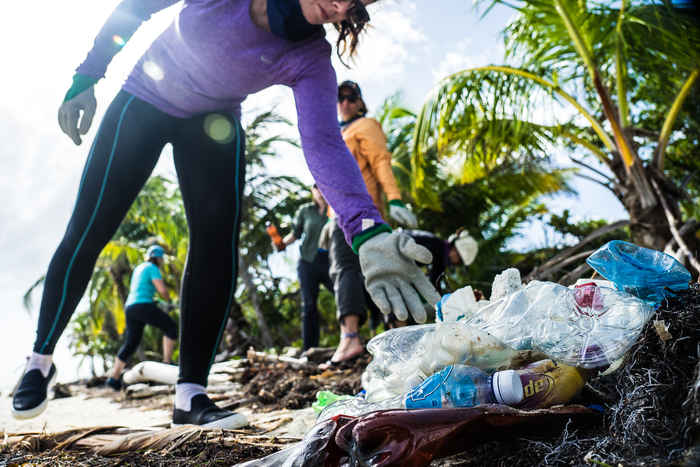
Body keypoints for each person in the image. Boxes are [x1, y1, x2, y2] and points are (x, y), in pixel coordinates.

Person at [12, 0, 440, 428]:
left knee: (216, 246)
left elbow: (324, 143)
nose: (341, 4)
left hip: (212, 121)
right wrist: (87, 75)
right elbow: (138, 7)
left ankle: (190, 393)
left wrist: (368, 230)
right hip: (145, 97)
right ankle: (40, 359)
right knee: (90, 227)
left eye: (356, 2)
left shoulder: (310, 57)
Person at [322, 81, 419, 368]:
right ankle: (390, 335)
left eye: (352, 98)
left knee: (351, 269)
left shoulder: (365, 126)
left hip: (361, 213)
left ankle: (353, 337)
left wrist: (396, 199)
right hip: (339, 214)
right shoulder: (338, 132)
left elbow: (380, 162)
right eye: (340, 98)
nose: (346, 102)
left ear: (361, 103)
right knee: (359, 274)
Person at [105, 245, 178, 391]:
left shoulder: (139, 268)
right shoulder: (152, 267)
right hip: (142, 305)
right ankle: (167, 362)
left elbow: (140, 290)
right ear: (158, 258)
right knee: (171, 327)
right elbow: (162, 290)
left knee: (131, 343)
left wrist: (156, 302)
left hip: (131, 308)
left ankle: (114, 378)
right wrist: (169, 302)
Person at [278, 184, 333, 351]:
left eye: (323, 186)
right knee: (309, 306)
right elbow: (295, 233)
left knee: (345, 295)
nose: (320, 190)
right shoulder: (305, 210)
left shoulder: (335, 208)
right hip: (309, 262)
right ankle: (309, 349)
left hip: (332, 261)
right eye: (316, 187)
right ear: (312, 191)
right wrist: (281, 244)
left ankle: (353, 337)